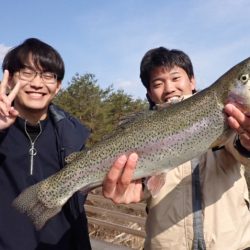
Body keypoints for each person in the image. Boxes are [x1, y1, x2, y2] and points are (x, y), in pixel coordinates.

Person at [102, 47, 250, 249]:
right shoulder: (139, 133)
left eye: (175, 78)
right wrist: (127, 188)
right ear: (148, 93)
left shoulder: (230, 117)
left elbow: (242, 151)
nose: (169, 88)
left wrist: (246, 137)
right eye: (158, 83)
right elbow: (144, 188)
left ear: (192, 81)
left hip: (232, 243)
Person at [0, 38, 92, 250]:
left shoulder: (73, 137)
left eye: (48, 75)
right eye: (27, 73)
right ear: (10, 79)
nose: (37, 83)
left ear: (58, 86)